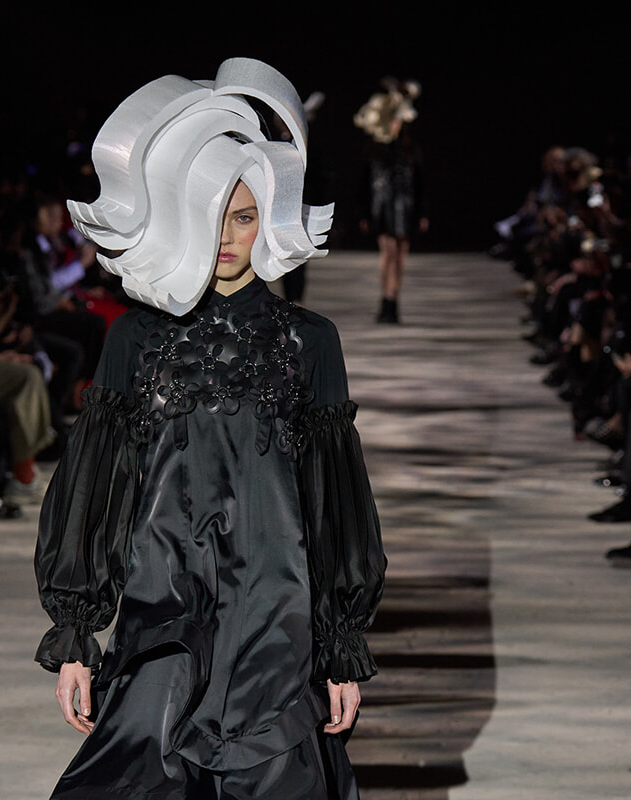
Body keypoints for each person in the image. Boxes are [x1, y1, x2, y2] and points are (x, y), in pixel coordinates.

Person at [34, 58, 385, 799]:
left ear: (272, 217)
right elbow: (98, 487)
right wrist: (77, 631)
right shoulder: (134, 338)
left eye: (246, 214)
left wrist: (343, 648)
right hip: (164, 615)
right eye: (213, 211)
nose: (228, 235)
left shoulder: (308, 341)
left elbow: (333, 506)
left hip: (276, 627)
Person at [355, 77, 428, 324]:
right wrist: (364, 213)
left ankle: (393, 300)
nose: (395, 125)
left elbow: (420, 183)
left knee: (400, 256)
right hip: (383, 206)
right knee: (387, 253)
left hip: (405, 208)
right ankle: (386, 300)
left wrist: (423, 213)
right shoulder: (376, 148)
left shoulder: (410, 149)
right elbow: (365, 182)